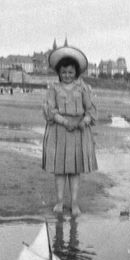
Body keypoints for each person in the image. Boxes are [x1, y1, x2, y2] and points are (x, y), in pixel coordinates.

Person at [42, 45, 97, 217]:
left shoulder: (83, 88)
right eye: (64, 72)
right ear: (59, 72)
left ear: (76, 72)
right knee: (60, 169)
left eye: (71, 72)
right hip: (59, 131)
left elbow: (91, 110)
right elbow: (50, 111)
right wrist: (65, 122)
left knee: (74, 170)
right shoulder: (53, 88)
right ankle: (59, 201)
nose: (67, 75)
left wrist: (84, 121)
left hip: (79, 132)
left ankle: (74, 202)